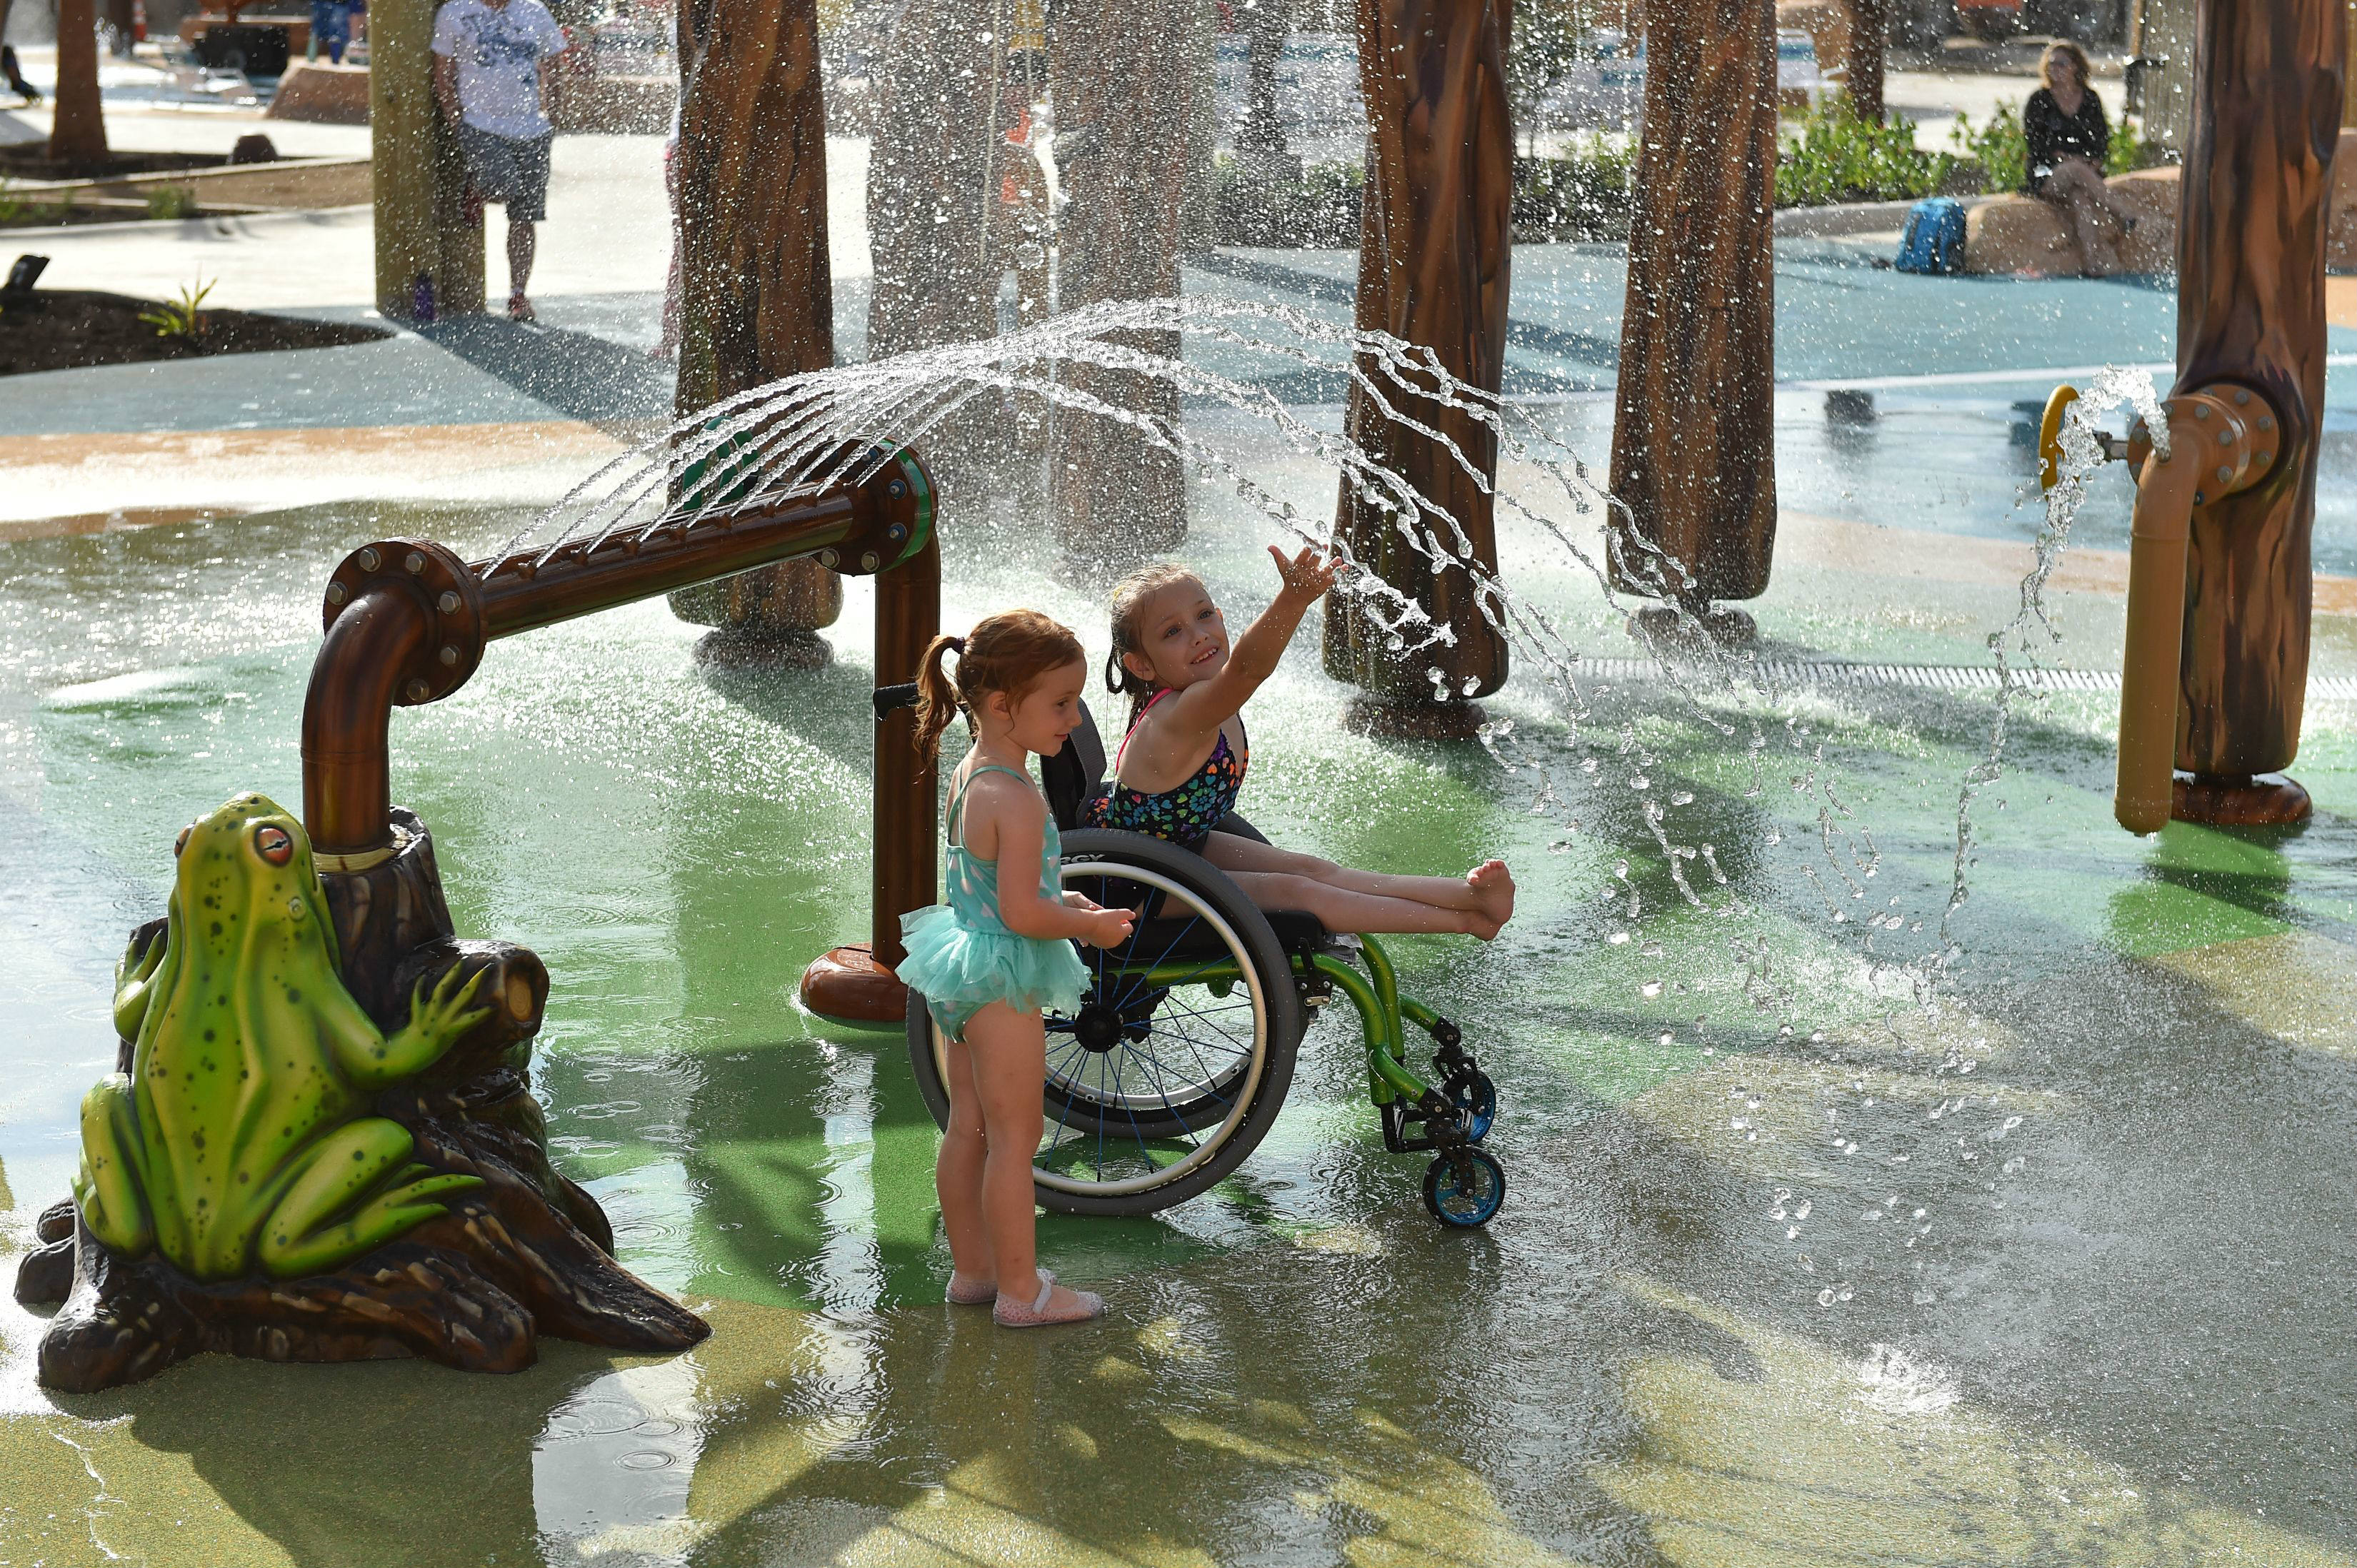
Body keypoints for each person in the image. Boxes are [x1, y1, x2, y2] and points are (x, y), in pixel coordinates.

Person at [896, 610, 1136, 1329]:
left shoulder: (974, 775)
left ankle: (973, 1273)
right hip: (1002, 981)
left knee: (966, 1126)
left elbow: (994, 886)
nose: (1075, 717)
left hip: (961, 967)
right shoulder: (1020, 798)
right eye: (1060, 703)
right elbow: (1025, 918)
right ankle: (1023, 1292)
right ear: (1004, 706)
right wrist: (1087, 924)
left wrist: (1057, 895)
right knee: (1016, 1138)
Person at [1086, 550, 1517, 940]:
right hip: (1136, 884)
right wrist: (1293, 600)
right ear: (1142, 665)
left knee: (1313, 869)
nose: (1199, 635)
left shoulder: (1200, 699)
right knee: (1297, 890)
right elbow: (1246, 671)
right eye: (1173, 632)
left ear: (1220, 615)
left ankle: (1468, 895)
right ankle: (1465, 921)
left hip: (1177, 850)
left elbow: (1239, 675)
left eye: (1203, 616)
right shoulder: (1180, 716)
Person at [431, 0, 569, 322]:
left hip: (532, 128)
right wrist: (457, 121)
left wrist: (554, 115)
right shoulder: (455, 12)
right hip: (480, 125)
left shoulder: (534, 10)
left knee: (525, 217)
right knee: (501, 184)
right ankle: (477, 188)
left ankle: (518, 295)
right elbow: (443, 71)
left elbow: (553, 62)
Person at [2023, 41, 2138, 278]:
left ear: (2076, 67)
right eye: (2051, 63)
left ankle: (2092, 264)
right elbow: (2035, 144)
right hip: (2046, 174)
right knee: (2074, 168)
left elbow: (2100, 140)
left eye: (2062, 63)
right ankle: (2122, 213)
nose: (2055, 68)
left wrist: (2094, 160)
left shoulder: (2090, 99)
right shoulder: (2039, 100)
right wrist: (2060, 157)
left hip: (2081, 175)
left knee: (2081, 200)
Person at [307, 0, 354, 65]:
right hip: (326, 4)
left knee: (335, 33)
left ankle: (336, 61)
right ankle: (311, 59)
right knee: (320, 31)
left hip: (337, 4)